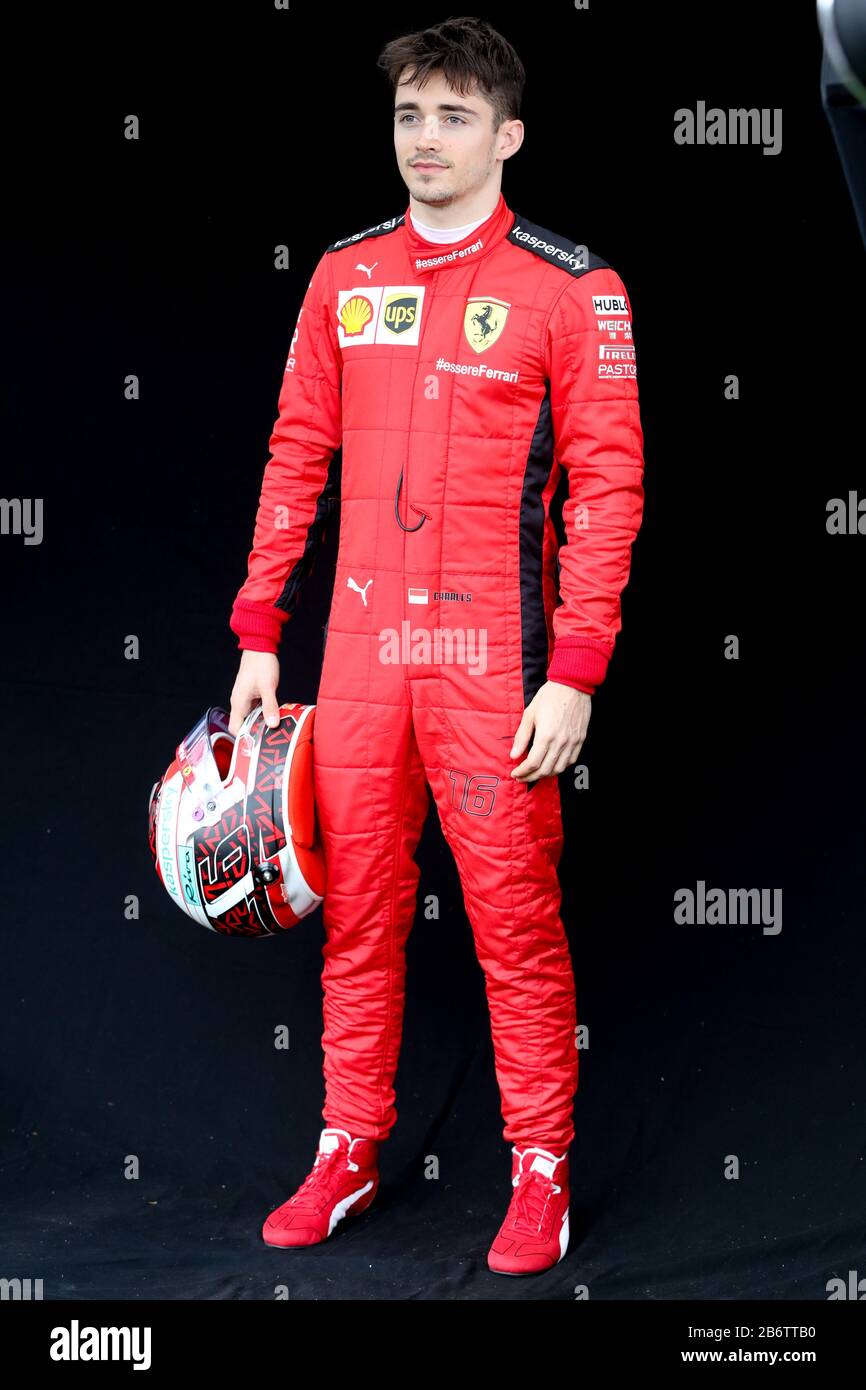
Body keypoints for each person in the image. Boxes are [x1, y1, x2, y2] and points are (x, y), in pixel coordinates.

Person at [228, 15, 645, 1276]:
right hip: (355, 656)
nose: (425, 139)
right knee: (355, 914)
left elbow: (608, 484)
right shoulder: (343, 276)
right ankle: (347, 1144)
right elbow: (296, 448)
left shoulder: (573, 287)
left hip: (494, 660)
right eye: (410, 114)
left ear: (507, 135)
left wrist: (575, 667)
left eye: (454, 116)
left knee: (511, 920)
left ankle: (539, 1172)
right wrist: (260, 630)